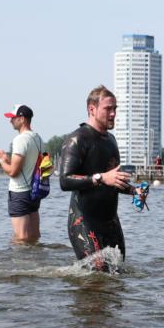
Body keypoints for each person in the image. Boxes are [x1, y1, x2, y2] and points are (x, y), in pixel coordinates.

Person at [56, 85, 136, 271]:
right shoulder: (77, 139)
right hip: (84, 220)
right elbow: (65, 180)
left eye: (115, 108)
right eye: (108, 108)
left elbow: (112, 180)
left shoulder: (111, 140)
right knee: (96, 276)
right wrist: (100, 178)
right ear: (92, 109)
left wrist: (134, 190)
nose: (113, 113)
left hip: (110, 221)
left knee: (117, 273)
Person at [0, 104, 43, 244]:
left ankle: (19, 264)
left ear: (22, 119)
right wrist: (6, 158)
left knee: (21, 238)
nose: (10, 121)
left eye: (13, 118)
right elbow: (27, 166)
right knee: (34, 236)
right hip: (34, 192)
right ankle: (37, 262)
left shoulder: (20, 140)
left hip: (20, 193)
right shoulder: (38, 138)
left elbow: (13, 171)